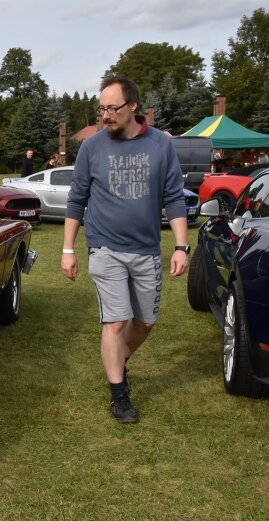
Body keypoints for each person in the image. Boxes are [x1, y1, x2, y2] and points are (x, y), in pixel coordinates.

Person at [60, 76, 189, 424]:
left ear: (132, 106)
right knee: (115, 321)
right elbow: (77, 199)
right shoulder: (92, 147)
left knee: (144, 323)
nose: (105, 115)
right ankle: (119, 396)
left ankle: (117, 359)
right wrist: (68, 249)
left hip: (147, 249)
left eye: (112, 108)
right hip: (105, 247)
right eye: (101, 108)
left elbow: (174, 198)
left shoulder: (161, 145)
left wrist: (180, 246)